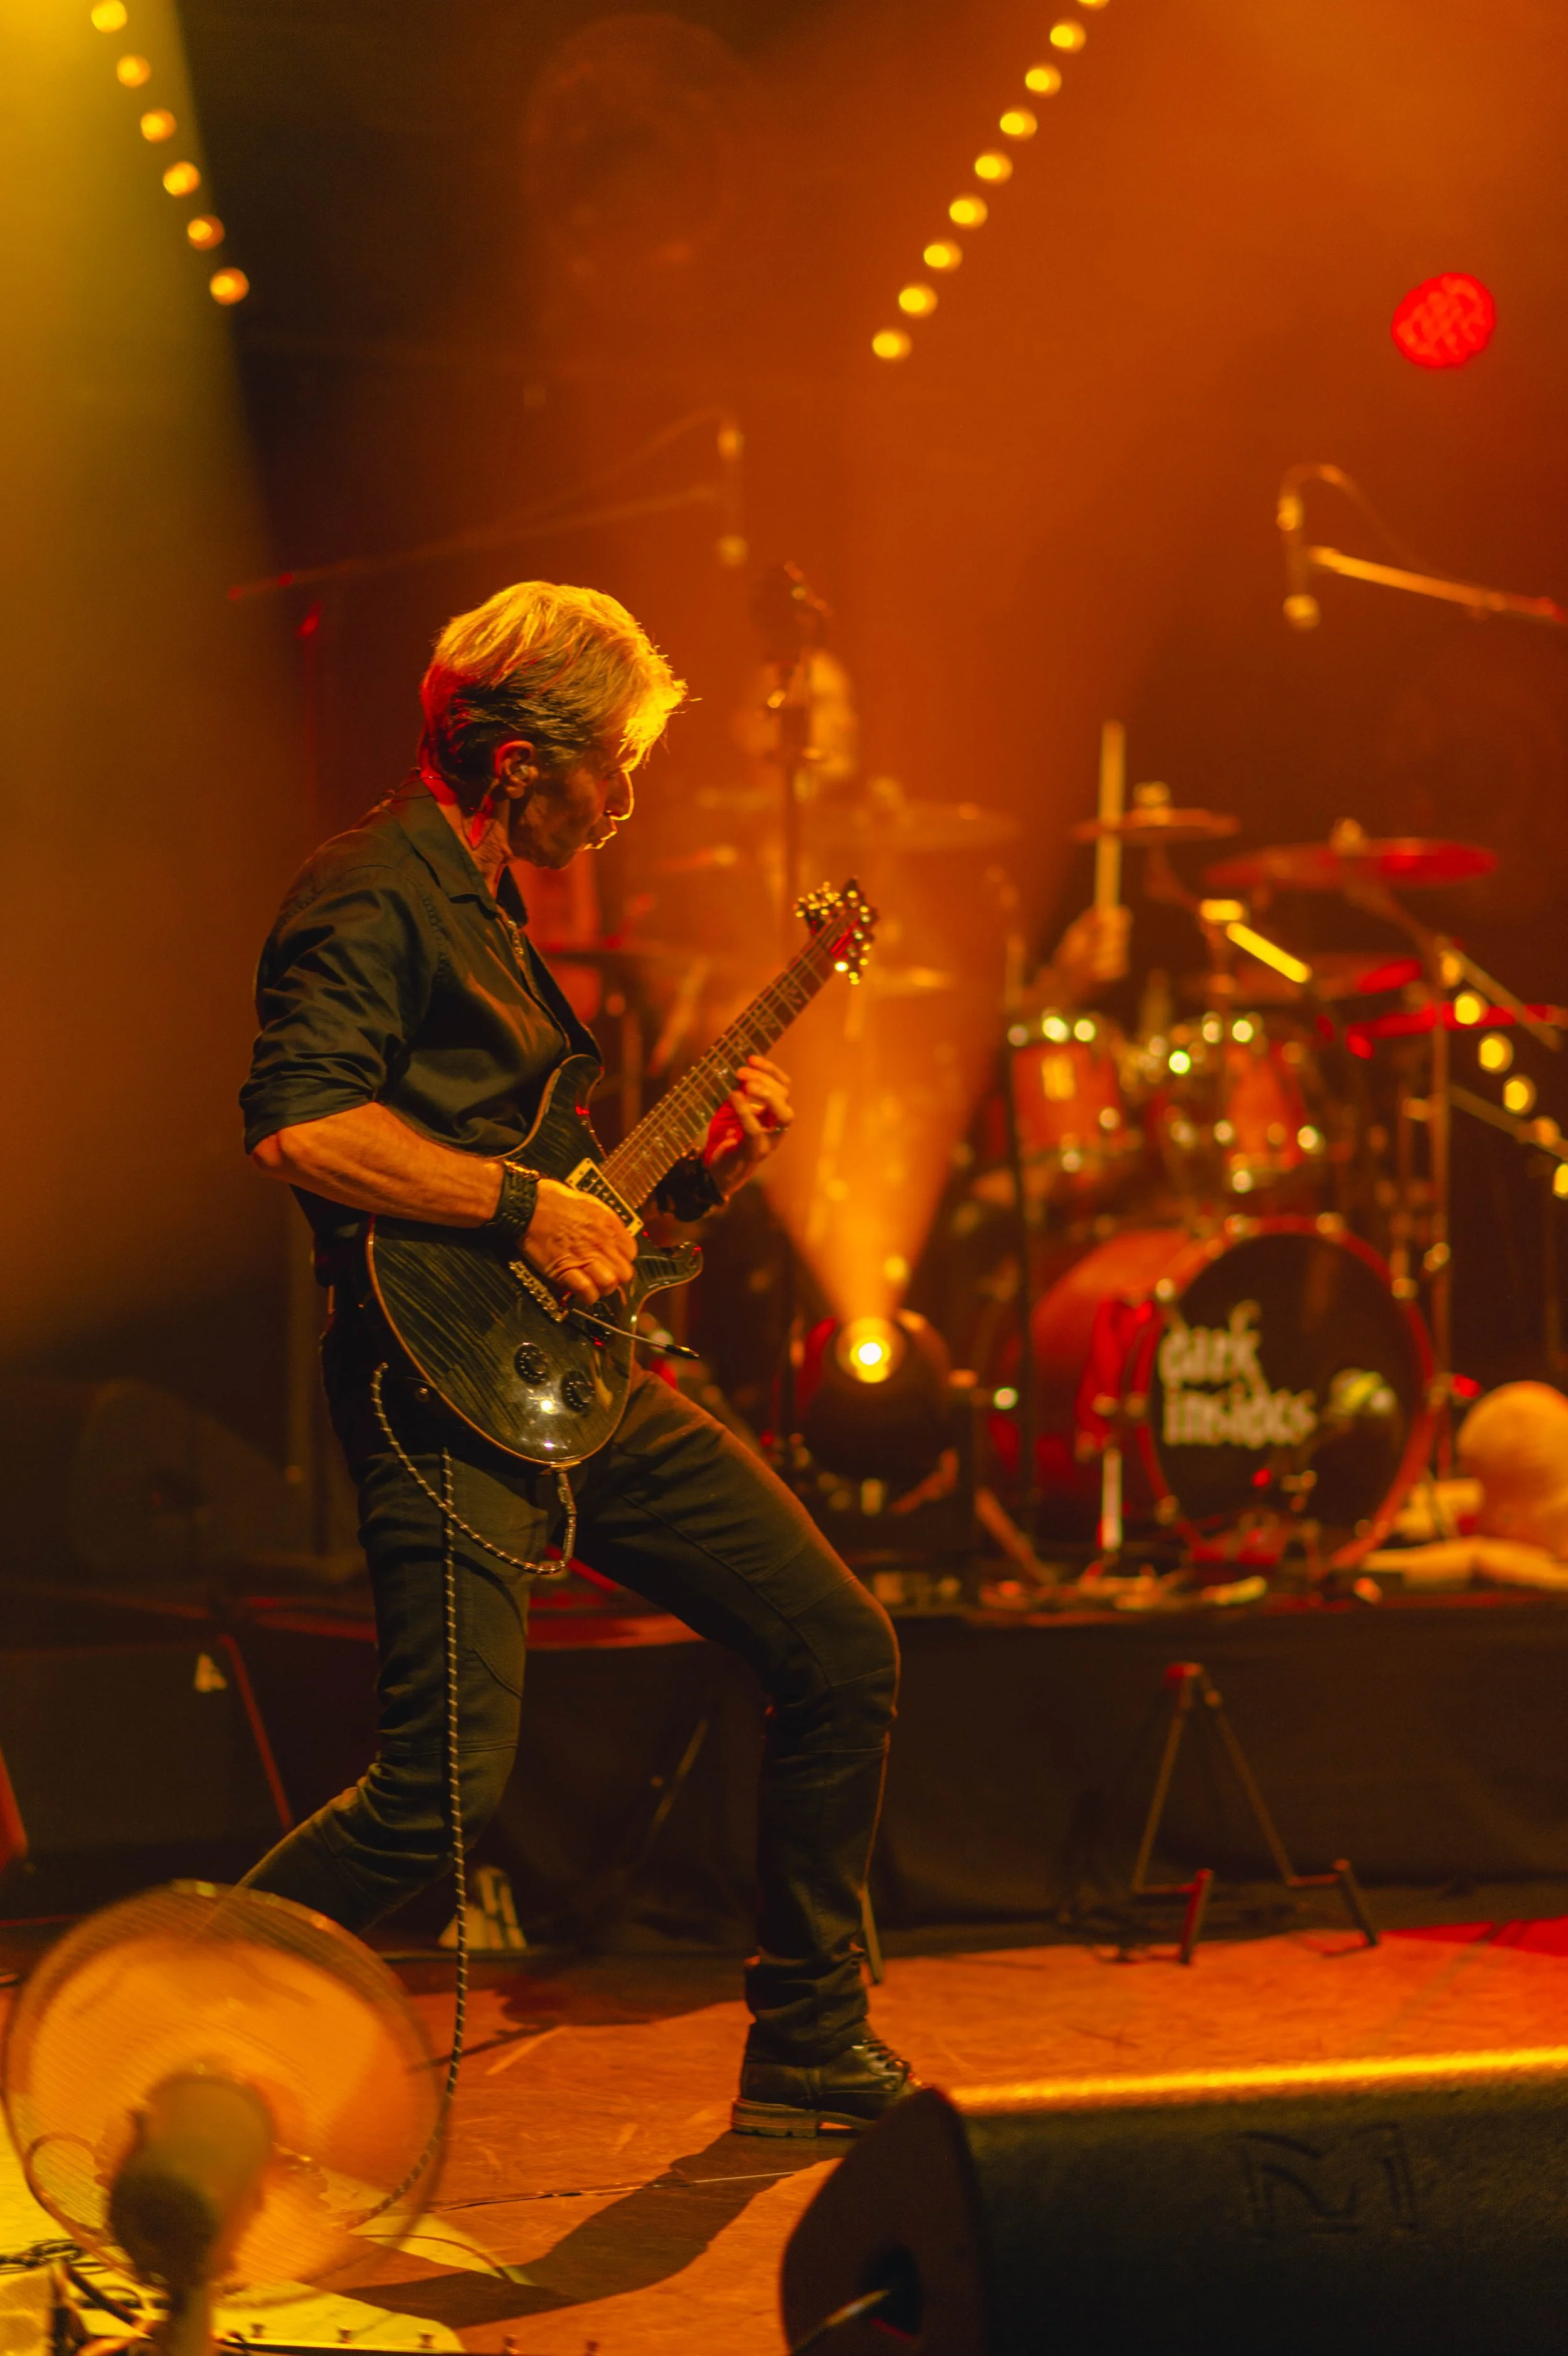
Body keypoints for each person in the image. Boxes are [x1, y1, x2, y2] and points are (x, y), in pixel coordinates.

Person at [240, 581, 914, 2137]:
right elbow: (302, 1125)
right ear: (518, 750)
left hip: (561, 1372)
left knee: (837, 1649)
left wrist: (688, 1183)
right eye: (612, 763)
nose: (626, 800)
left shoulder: (491, 913)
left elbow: (560, 1197)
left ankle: (810, 2037)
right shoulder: (372, 890)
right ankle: (172, 1995)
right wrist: (523, 1206)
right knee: (436, 1798)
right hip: (431, 1384)